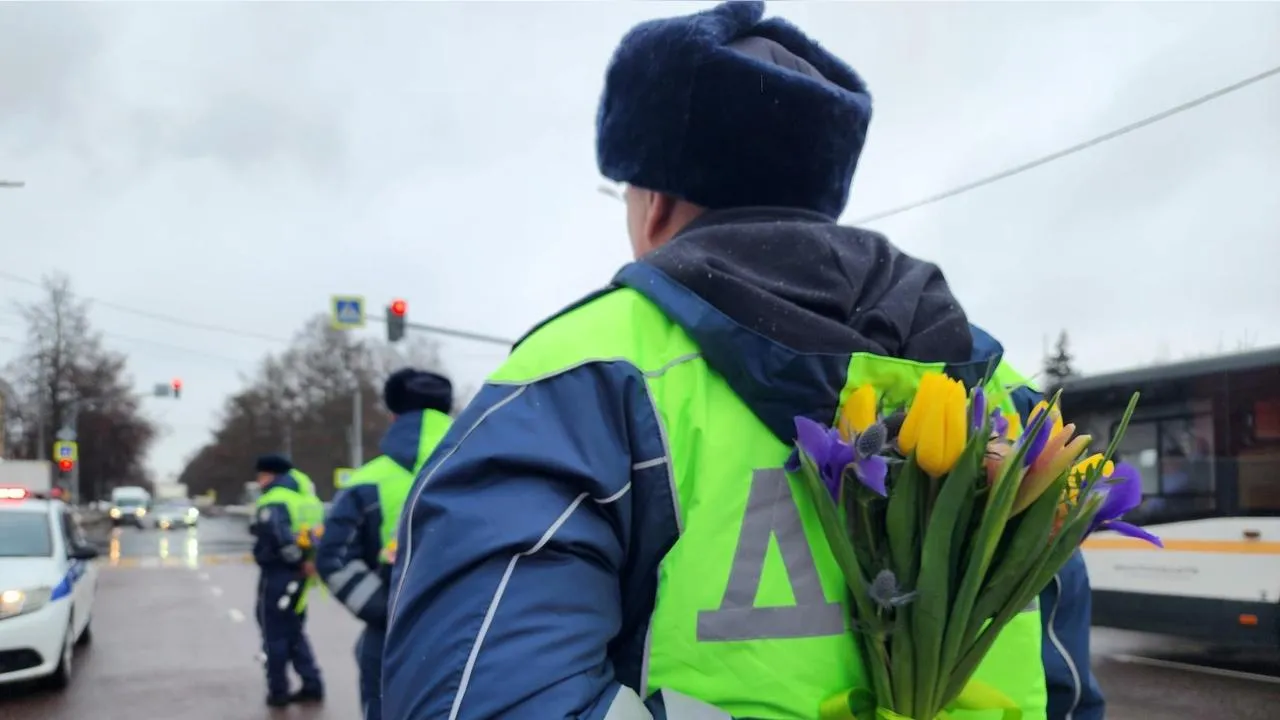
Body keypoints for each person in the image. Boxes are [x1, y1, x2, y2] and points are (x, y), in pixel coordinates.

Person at [381, 3, 1101, 719]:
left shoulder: (583, 377)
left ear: (654, 199)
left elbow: (477, 698)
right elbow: (1063, 680)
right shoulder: (1004, 403)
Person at [315, 369, 454, 720]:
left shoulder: (367, 481)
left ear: (394, 416)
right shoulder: (488, 468)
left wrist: (385, 611)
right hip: (468, 633)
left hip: (390, 640)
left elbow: (333, 558)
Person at [251, 453, 325, 707]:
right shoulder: (306, 498)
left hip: (279, 574)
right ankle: (312, 683)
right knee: (293, 629)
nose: (259, 481)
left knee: (274, 632)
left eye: (260, 475)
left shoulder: (274, 500)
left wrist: (296, 561)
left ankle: (278, 691)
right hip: (301, 576)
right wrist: (308, 562)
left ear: (270, 475)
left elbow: (280, 538)